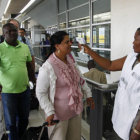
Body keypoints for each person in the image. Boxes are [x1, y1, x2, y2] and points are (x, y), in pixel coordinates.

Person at [80, 28, 140, 140]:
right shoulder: (131, 57)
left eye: (135, 39)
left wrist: (137, 130)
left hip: (135, 123)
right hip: (121, 116)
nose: (132, 42)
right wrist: (90, 51)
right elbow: (110, 65)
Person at [36, 31, 94, 140]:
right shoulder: (48, 67)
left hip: (75, 111)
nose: (70, 44)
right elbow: (41, 92)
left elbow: (80, 78)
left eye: (70, 41)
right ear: (57, 46)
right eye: (66, 42)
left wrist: (88, 93)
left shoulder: (71, 61)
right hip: (58, 115)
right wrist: (49, 111)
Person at [0, 23, 35, 140]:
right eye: (9, 31)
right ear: (4, 34)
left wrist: (33, 82)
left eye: (14, 30)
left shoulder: (24, 47)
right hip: (8, 92)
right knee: (10, 123)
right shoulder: (0, 48)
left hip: (24, 90)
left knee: (24, 120)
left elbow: (29, 66)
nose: (13, 33)